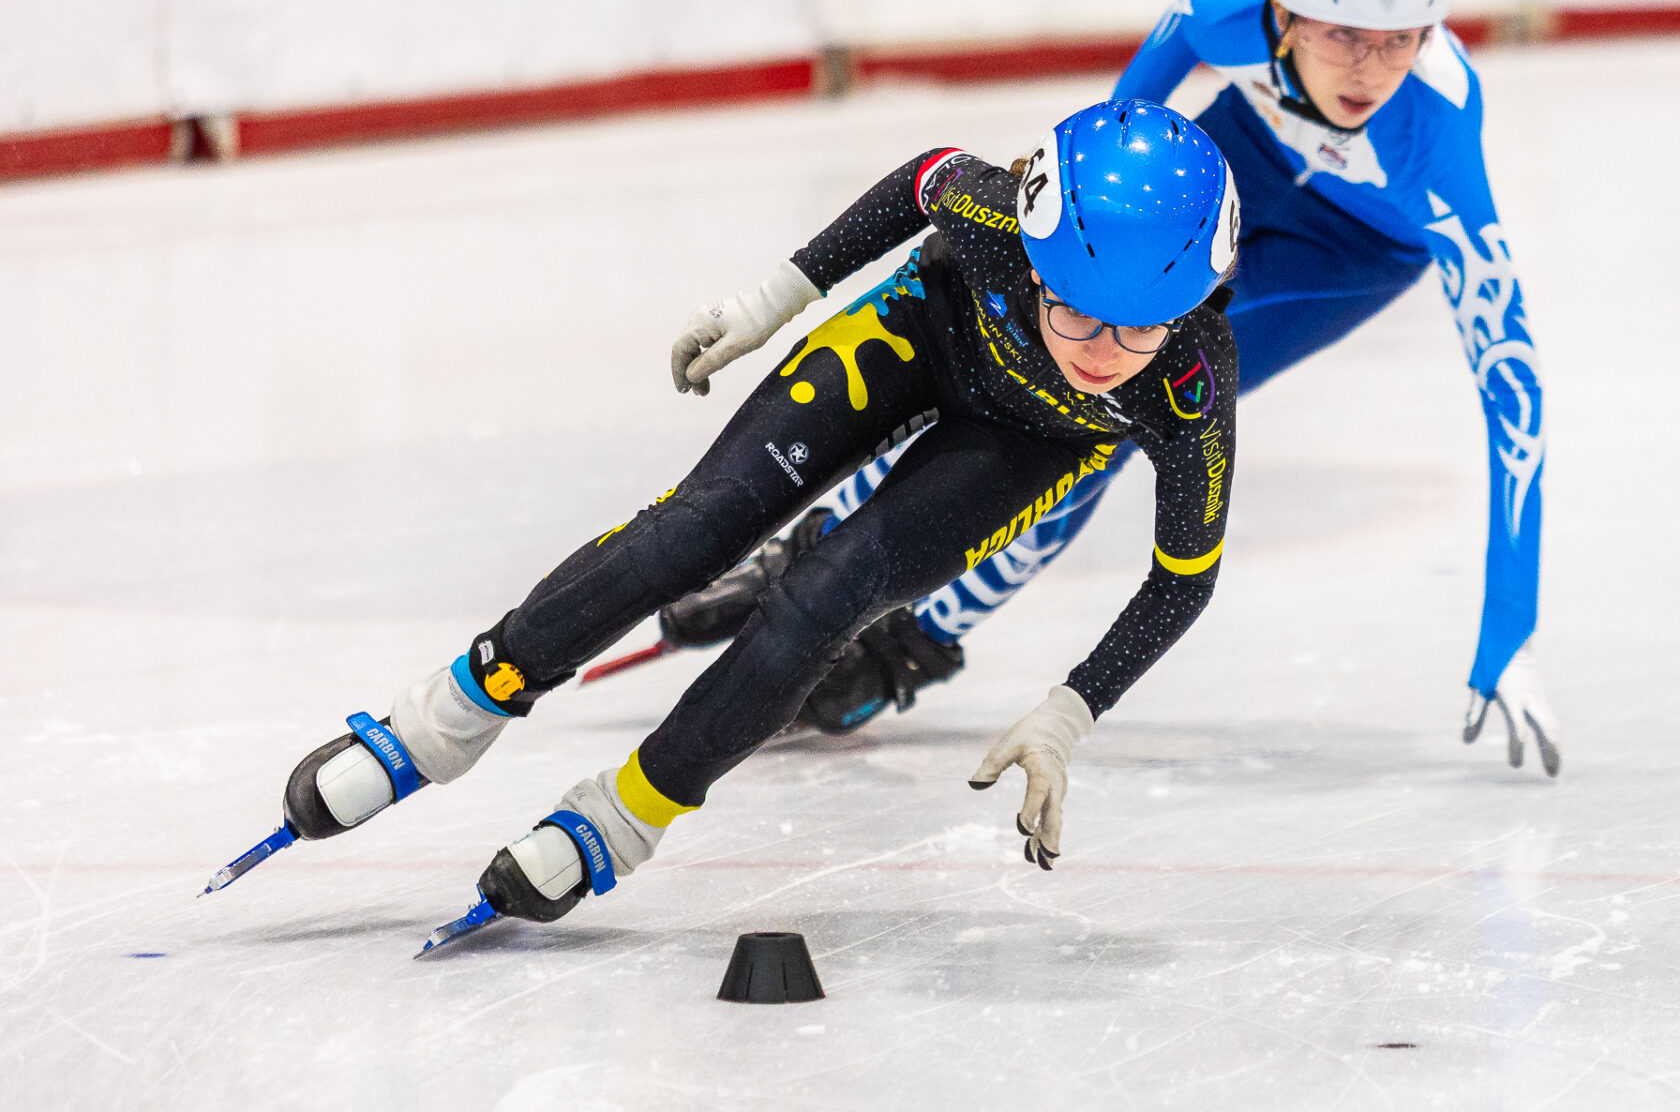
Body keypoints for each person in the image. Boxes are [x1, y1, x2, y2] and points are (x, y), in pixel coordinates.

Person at [209, 100, 1243, 939]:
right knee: (694, 532)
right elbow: (920, 177)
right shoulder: (995, 217)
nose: (1101, 352)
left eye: (1140, 328)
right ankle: (442, 720)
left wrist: (1072, 710)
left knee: (827, 600)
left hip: (1029, 446)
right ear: (1038, 251)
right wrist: (772, 300)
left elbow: (1184, 576)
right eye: (1074, 307)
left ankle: (625, 817)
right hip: (924, 331)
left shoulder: (1191, 382)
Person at [662, 0, 1558, 774]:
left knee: (1111, 416)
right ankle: (823, 538)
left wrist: (1509, 632)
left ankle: (915, 641)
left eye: (1400, 40)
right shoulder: (1221, 7)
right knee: (1023, 347)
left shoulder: (1435, 137)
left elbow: (1511, 380)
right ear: (1283, 15)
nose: (1369, 70)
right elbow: (1114, 133)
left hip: (1347, 255)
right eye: (1342, 36)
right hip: (1233, 174)